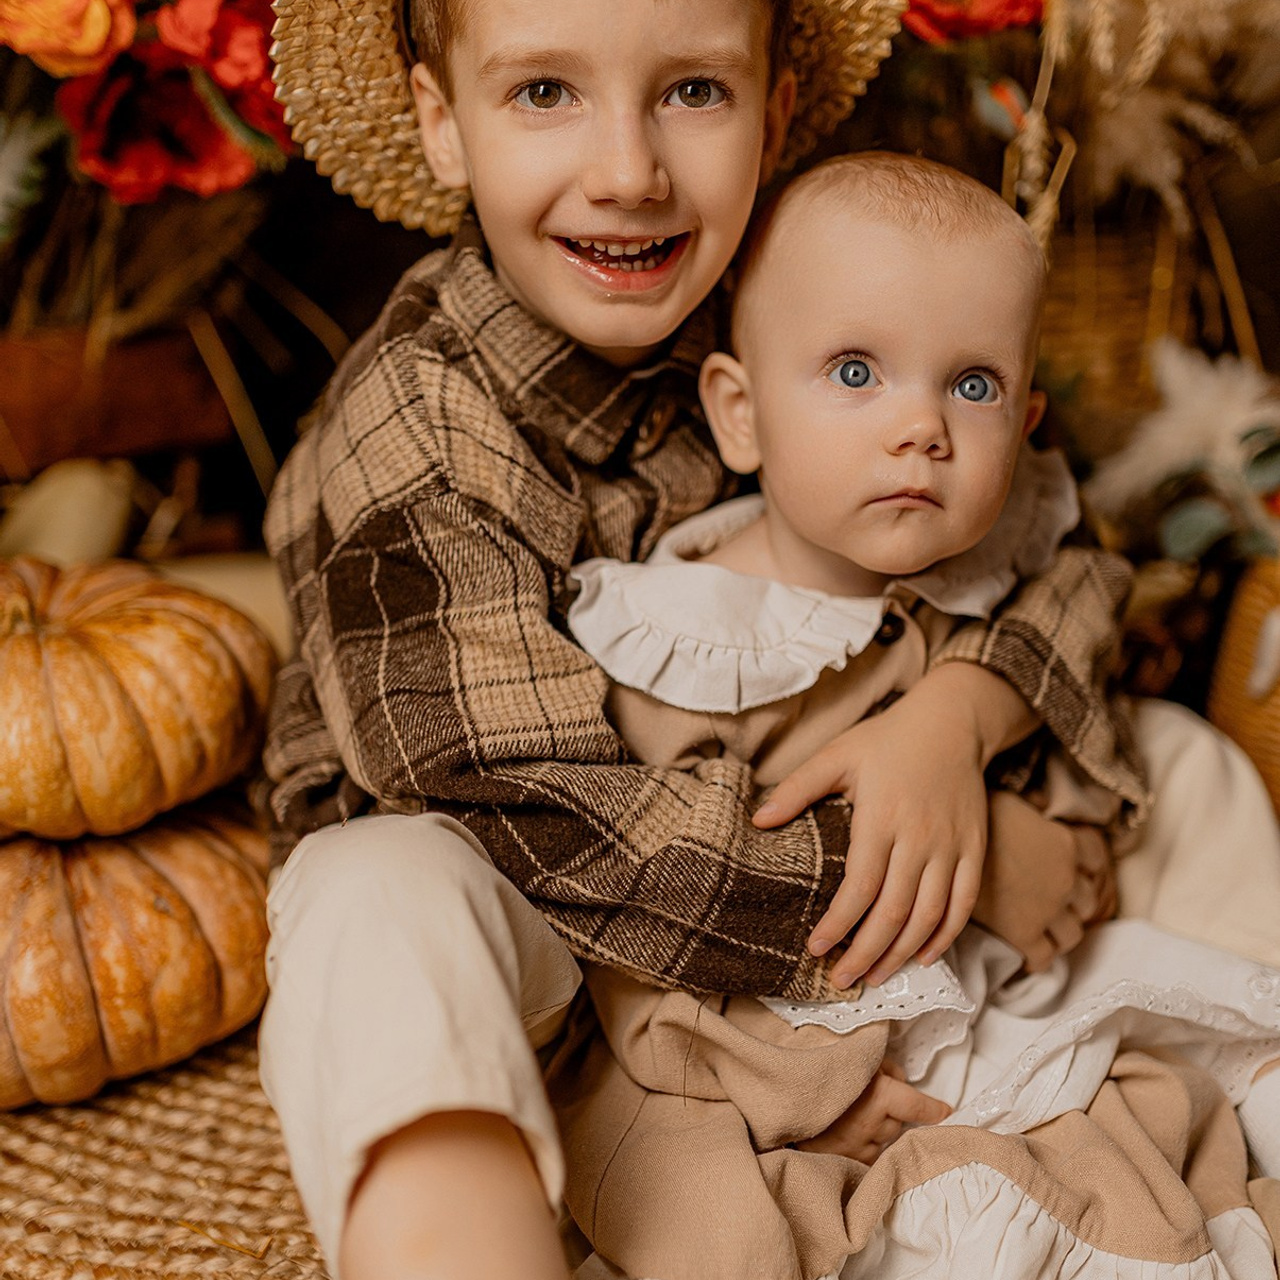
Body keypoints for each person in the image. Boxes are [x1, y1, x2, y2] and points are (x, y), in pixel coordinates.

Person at [258, 1, 1163, 1277]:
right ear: (438, 124)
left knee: (1180, 766)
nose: (628, 172)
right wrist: (953, 869)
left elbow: (1056, 546)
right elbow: (527, 806)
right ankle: (460, 1242)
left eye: (692, 92)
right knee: (374, 896)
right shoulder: (415, 419)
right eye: (541, 94)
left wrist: (959, 717)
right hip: (533, 909)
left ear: (774, 112)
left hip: (782, 840)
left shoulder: (825, 279)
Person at [553, 150, 1280, 1280]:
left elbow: (1079, 711)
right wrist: (804, 1092)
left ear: (1025, 420)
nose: (921, 428)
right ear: (739, 415)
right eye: (854, 370)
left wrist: (1048, 820)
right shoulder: (685, 638)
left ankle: (1259, 1064)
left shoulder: (991, 573)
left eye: (972, 385)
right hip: (791, 1023)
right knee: (701, 1184)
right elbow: (642, 932)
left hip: (1000, 974)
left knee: (1183, 767)